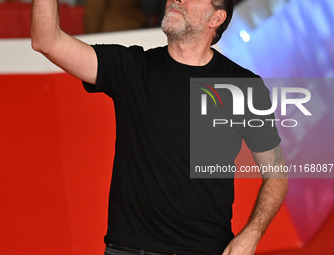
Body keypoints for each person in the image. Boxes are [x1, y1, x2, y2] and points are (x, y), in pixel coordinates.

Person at [31, 0, 288, 254]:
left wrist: (251, 235)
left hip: (205, 248)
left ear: (216, 18)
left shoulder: (244, 86)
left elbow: (277, 174)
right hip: (129, 249)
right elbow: (47, 41)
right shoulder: (130, 66)